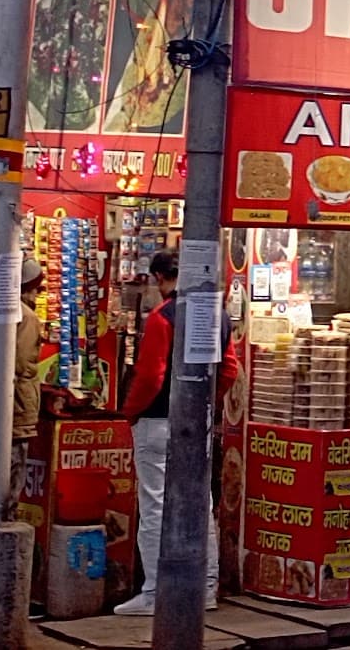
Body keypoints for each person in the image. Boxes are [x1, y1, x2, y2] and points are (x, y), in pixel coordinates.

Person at [116, 251, 238, 616]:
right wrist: (204, 403)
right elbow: (230, 370)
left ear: (158, 277)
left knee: (155, 506)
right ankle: (207, 590)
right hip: (197, 422)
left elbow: (151, 376)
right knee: (202, 503)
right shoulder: (219, 315)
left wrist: (131, 412)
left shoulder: (162, 317)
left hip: (156, 422)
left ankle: (155, 592)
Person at [5, 258, 43, 520]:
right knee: (12, 471)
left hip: (8, 402)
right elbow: (22, 363)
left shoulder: (5, 310)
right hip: (18, 405)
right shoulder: (26, 317)